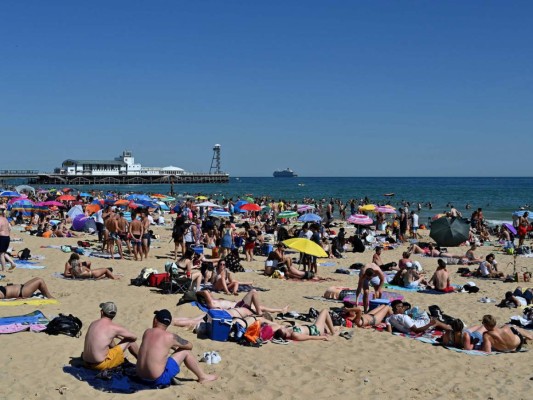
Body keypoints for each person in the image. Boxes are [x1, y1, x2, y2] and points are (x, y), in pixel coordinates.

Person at [136, 309, 217, 386]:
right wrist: (175, 345)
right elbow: (189, 346)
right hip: (157, 380)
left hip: (139, 377)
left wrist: (171, 345)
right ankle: (203, 377)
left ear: (155, 320)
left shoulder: (147, 332)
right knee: (186, 352)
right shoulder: (170, 337)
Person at [82, 302, 139, 370]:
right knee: (130, 341)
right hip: (100, 365)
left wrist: (114, 336)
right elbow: (134, 337)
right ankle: (141, 363)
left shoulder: (93, 323)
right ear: (114, 315)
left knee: (109, 339)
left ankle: (117, 355)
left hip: (85, 362)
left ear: (102, 312)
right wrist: (119, 336)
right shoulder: (114, 328)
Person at [196, 289, 288, 315]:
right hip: (238, 308)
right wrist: (197, 292)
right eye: (209, 292)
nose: (210, 292)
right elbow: (204, 292)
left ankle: (280, 310)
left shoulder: (215, 301)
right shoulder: (211, 303)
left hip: (238, 306)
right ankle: (259, 313)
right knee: (253, 292)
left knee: (260, 306)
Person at [386, 300, 450, 334]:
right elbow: (416, 331)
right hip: (421, 326)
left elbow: (389, 331)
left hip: (414, 323)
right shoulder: (404, 317)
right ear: (397, 307)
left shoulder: (388, 318)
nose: (403, 308)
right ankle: (451, 330)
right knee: (436, 322)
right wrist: (430, 324)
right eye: (402, 307)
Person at [272, 309, 339, 342]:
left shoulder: (289, 330)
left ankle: (330, 330)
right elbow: (309, 337)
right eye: (285, 330)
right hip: (316, 330)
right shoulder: (295, 335)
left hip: (312, 327)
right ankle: (333, 333)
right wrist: (323, 338)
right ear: (286, 335)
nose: (286, 328)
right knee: (324, 311)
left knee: (321, 318)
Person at [0, 206, 16, 272]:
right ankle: (12, 263)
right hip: (7, 237)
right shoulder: (5, 219)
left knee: (1, 254)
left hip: (2, 237)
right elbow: (9, 229)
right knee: (3, 252)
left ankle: (3, 269)